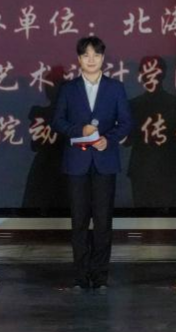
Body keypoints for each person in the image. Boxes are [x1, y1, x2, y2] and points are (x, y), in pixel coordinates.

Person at [51, 36, 132, 290]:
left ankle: (100, 276)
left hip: (104, 161)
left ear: (103, 58)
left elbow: (126, 122)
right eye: (86, 55)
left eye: (96, 55)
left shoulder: (115, 88)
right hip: (77, 162)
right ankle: (80, 276)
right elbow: (57, 121)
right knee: (79, 221)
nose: (91, 60)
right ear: (79, 59)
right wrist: (80, 129)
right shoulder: (69, 88)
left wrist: (109, 139)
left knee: (103, 221)